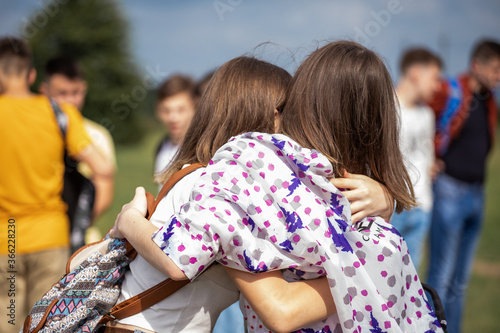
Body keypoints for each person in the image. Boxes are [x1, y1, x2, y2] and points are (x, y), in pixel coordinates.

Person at [113, 41, 443, 332]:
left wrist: (384, 198)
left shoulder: (260, 185)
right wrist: (130, 223)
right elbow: (178, 263)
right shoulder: (231, 183)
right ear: (269, 113)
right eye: (286, 109)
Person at [0, 37, 114, 333]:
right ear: (32, 75)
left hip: (5, 239)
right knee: (46, 325)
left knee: (7, 322)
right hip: (51, 236)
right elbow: (103, 167)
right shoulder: (58, 113)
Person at [427, 39, 500, 333]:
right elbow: (421, 121)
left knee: (461, 280)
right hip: (449, 191)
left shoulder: (490, 102)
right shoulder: (450, 92)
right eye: (495, 69)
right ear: (476, 65)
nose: (498, 76)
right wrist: (428, 159)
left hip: (476, 194)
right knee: (441, 276)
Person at [40, 56, 116, 247]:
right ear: (44, 91)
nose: (70, 101)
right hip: (39, 237)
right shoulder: (34, 133)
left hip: (82, 240)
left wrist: (75, 225)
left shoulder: (98, 135)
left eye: (76, 92)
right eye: (62, 93)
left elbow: (104, 188)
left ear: (84, 89)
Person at [391, 48, 443, 269]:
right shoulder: (385, 108)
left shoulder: (427, 115)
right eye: (434, 78)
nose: (437, 85)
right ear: (414, 72)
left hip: (422, 206)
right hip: (393, 207)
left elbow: (426, 155)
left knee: (411, 283)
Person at [154, 74, 196, 178]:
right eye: (166, 110)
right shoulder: (161, 147)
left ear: (195, 108)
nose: (173, 118)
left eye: (181, 109)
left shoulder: (202, 152)